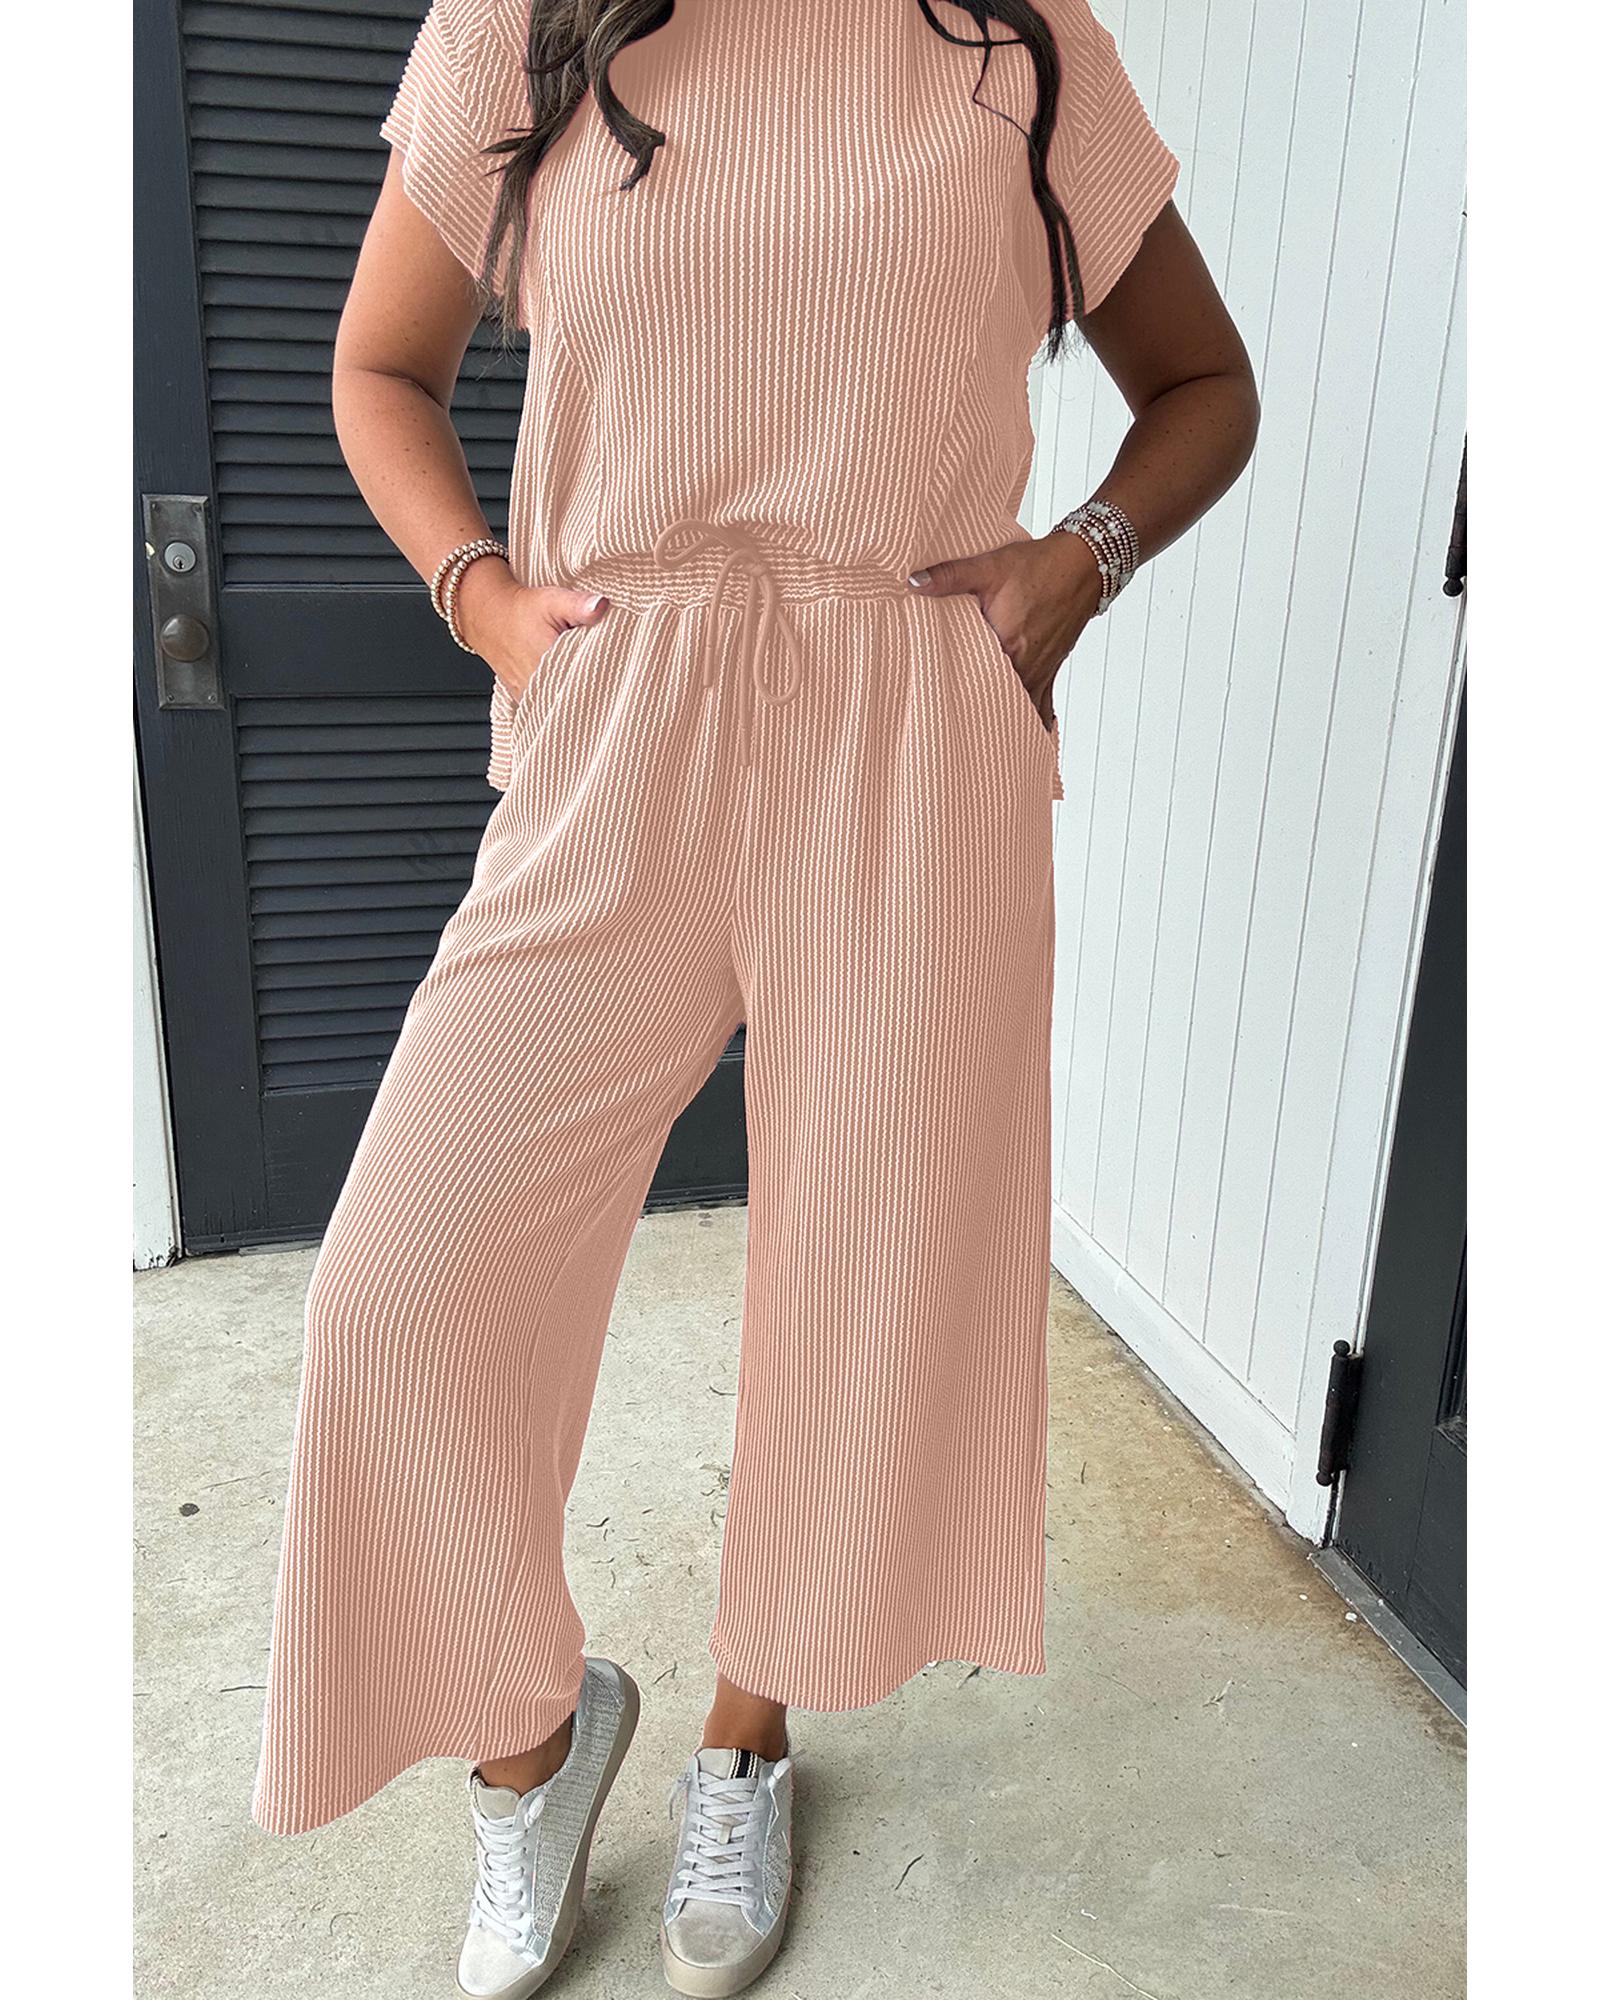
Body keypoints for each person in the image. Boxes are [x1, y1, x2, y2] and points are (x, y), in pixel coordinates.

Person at [249, 3, 1258, 1996]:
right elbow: (378, 367)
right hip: (615, 726)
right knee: (401, 1287)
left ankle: (747, 1736)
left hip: (911, 740)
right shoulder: (524, 29)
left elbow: (1203, 385)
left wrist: (1076, 565)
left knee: (860, 1292)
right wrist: (483, 601)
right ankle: (532, 1740)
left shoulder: (1016, 41)